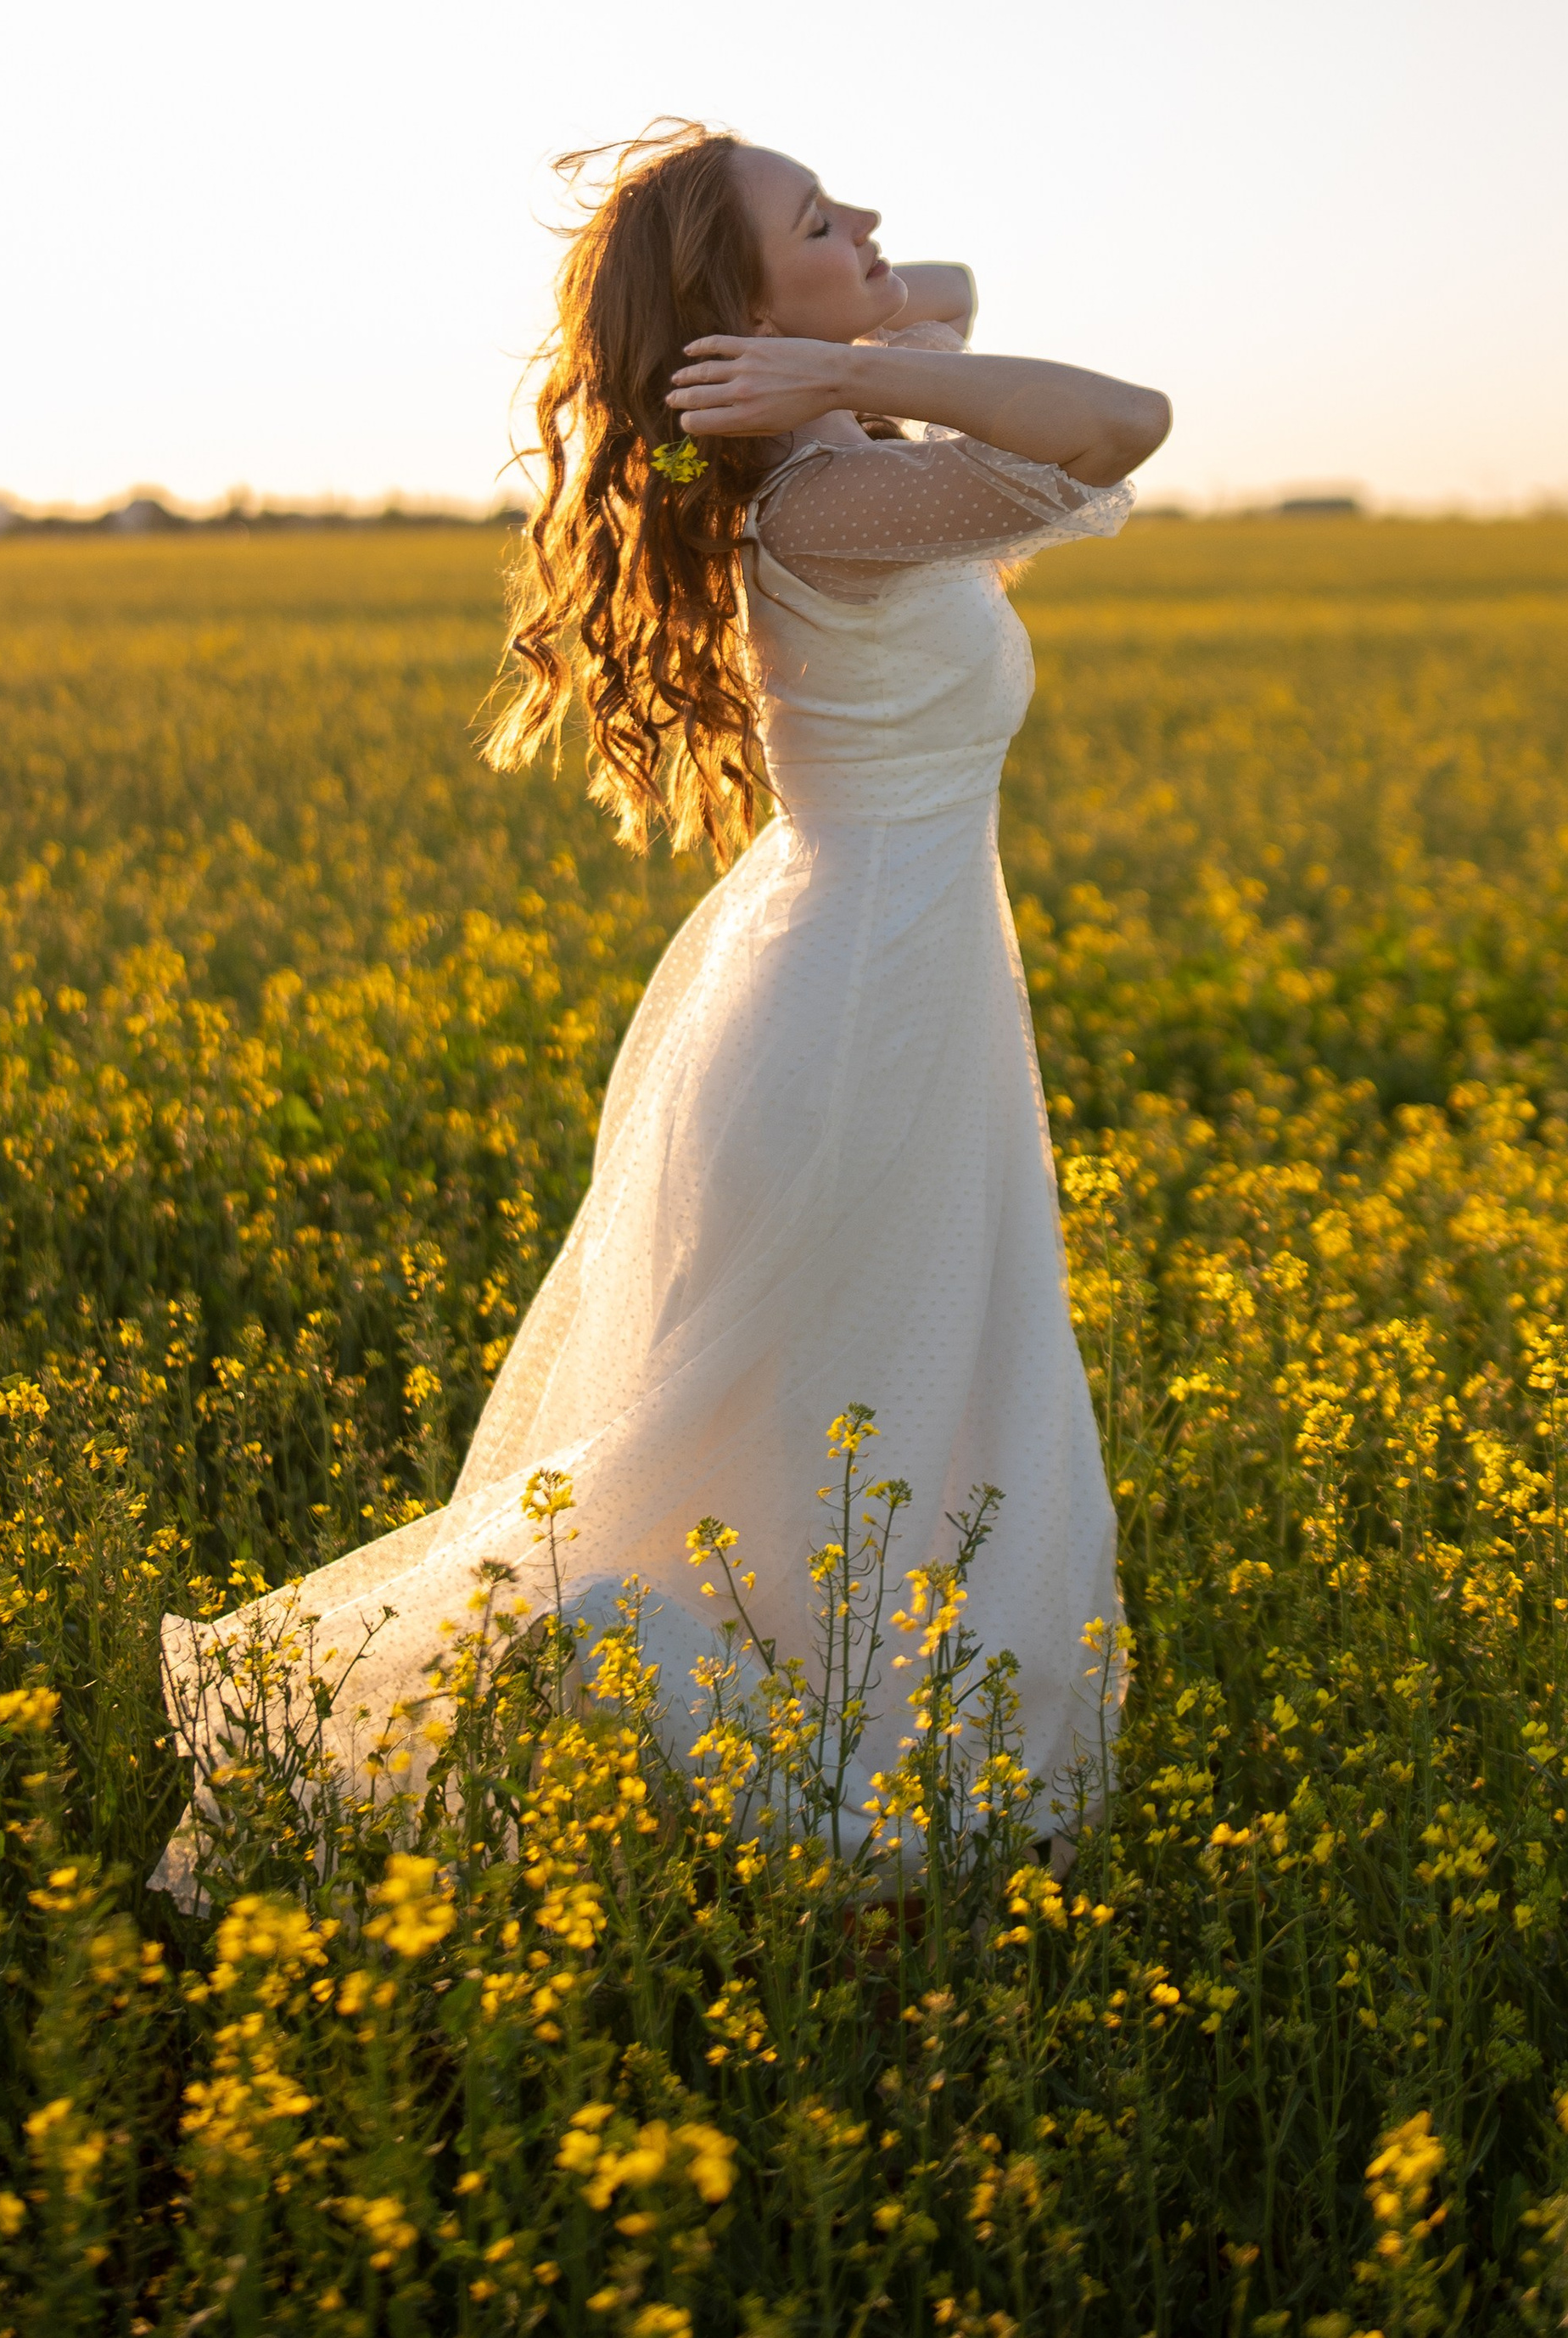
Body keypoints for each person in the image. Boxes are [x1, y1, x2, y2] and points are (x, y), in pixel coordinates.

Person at [152, 120, 1171, 1899]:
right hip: (856, 1025)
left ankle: (818, 1818)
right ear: (754, 322)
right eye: (822, 219)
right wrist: (839, 360)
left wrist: (824, 323)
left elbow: (947, 290)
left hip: (882, 984)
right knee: (819, 1444)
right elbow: (1122, 422)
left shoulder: (839, 447)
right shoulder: (828, 503)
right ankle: (796, 1833)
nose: (873, 225)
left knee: (867, 1432)